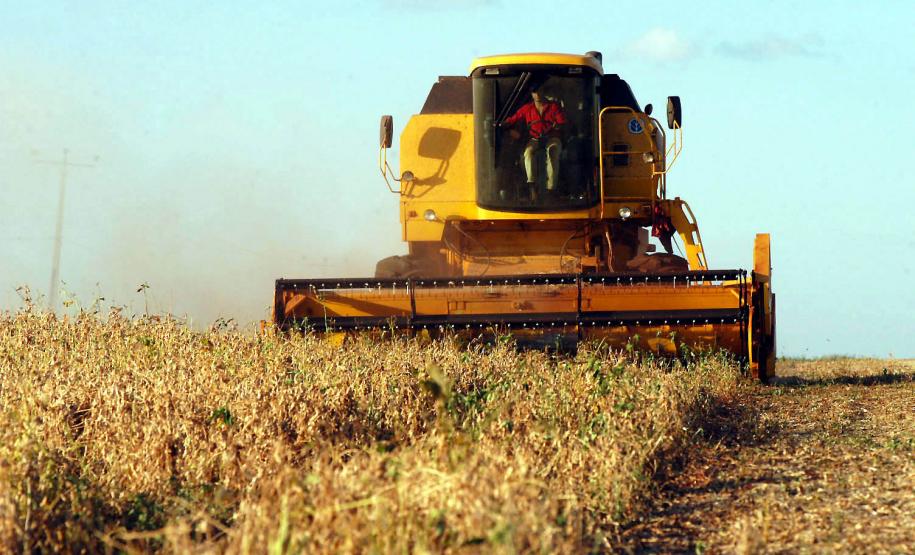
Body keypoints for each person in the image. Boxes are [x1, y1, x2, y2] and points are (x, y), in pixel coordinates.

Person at [501, 87, 568, 195]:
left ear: (543, 92)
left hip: (552, 138)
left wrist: (558, 125)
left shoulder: (554, 107)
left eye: (539, 91)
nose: (537, 94)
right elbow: (514, 118)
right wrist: (504, 125)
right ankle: (532, 186)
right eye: (534, 92)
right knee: (528, 152)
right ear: (532, 94)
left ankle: (551, 188)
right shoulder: (527, 108)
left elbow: (562, 122)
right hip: (535, 139)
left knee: (553, 150)